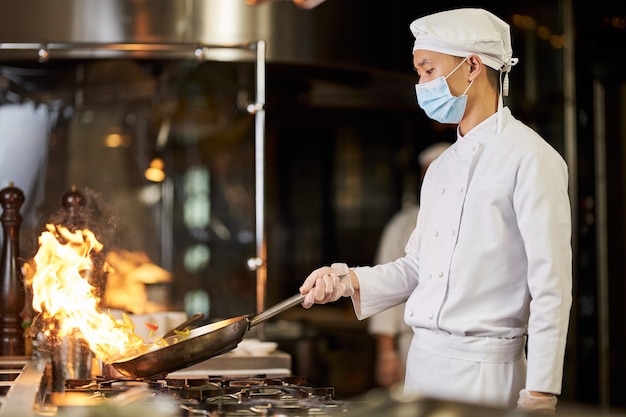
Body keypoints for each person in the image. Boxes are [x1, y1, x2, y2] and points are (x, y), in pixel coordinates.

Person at [298, 8, 572, 412]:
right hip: (422, 364)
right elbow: (417, 267)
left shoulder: (531, 158)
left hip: (486, 370)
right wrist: (346, 280)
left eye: (428, 70)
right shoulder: (441, 167)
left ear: (473, 66)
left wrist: (541, 390)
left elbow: (552, 284)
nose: (421, 84)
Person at [368, 142, 450, 389]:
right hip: (412, 342)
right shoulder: (404, 224)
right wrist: (386, 352)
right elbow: (389, 286)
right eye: (429, 173)